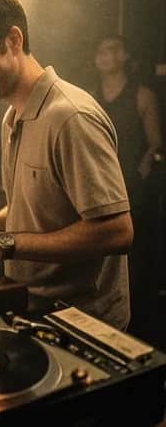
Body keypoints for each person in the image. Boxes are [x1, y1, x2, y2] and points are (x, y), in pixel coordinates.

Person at [0, 0, 134, 330]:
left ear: (13, 40)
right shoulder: (12, 117)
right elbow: (36, 209)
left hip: (80, 324)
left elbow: (116, 231)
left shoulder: (70, 116)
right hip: (32, 312)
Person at [93, 34, 163, 339]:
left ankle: (138, 329)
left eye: (111, 50)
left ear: (123, 56)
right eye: (100, 51)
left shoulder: (142, 95)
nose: (103, 55)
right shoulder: (91, 96)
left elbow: (156, 144)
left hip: (133, 190)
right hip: (100, 189)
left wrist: (143, 170)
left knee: (134, 260)